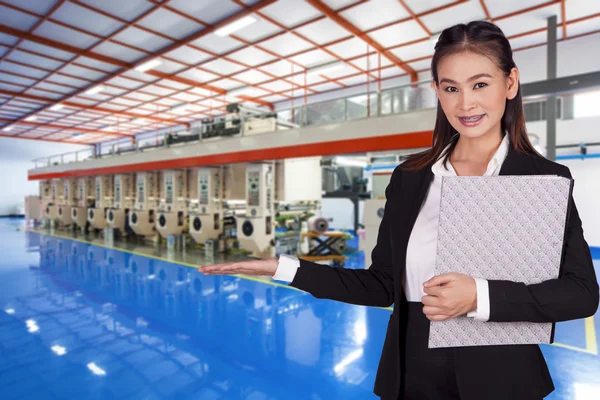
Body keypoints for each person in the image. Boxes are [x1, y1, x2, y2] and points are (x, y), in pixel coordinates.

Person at [198, 21, 599, 400]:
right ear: (437, 92)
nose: (466, 102)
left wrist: (479, 295)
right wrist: (285, 269)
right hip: (411, 374)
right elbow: (381, 284)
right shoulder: (411, 178)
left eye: (480, 83)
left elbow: (581, 295)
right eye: (451, 88)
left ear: (509, 83)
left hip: (502, 377)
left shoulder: (543, 178)